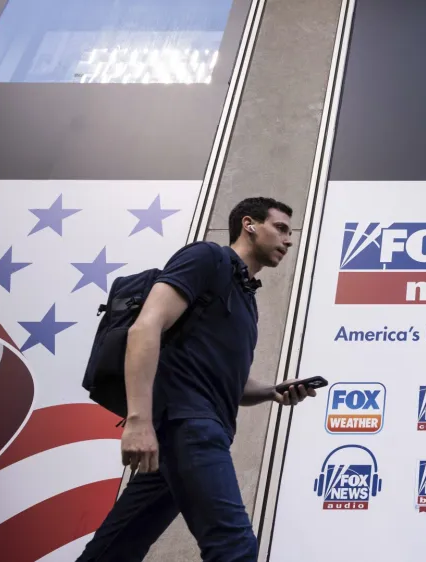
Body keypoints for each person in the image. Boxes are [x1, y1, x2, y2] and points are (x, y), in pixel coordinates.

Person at [78, 197, 313, 562]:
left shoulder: (247, 299)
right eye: (280, 228)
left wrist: (270, 391)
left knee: (117, 549)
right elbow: (146, 327)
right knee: (233, 548)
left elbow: (229, 381)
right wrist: (139, 421)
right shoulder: (207, 258)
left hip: (194, 432)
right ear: (249, 224)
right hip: (187, 426)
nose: (288, 239)